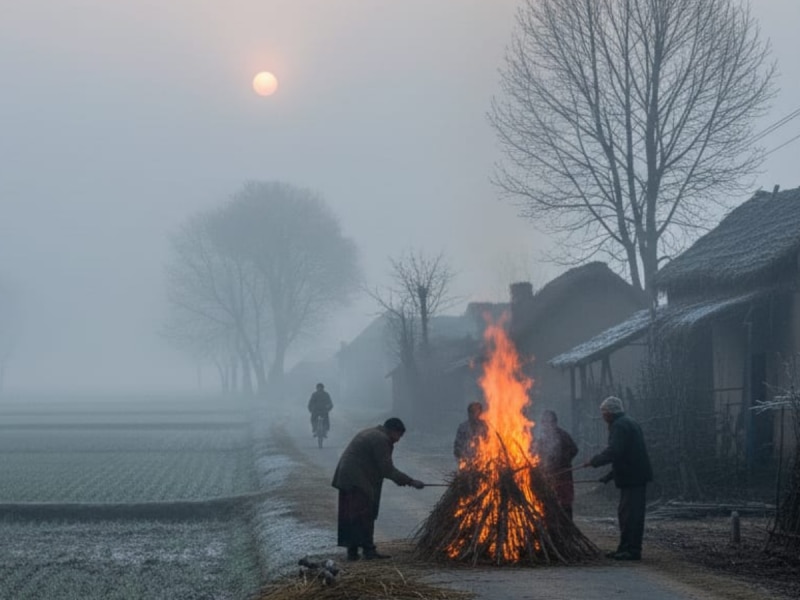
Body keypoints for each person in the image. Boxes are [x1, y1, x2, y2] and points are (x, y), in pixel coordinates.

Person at [331, 417, 425, 561]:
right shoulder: (381, 440)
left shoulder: (374, 433)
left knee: (352, 514)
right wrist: (411, 481)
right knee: (364, 513)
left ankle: (353, 551)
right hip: (356, 479)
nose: (398, 440)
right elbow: (387, 469)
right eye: (399, 435)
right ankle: (368, 551)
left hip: (348, 476)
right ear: (392, 430)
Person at [584, 396, 653, 561]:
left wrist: (595, 461)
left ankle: (632, 551)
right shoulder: (627, 422)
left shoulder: (619, 426)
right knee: (627, 514)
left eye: (603, 412)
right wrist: (609, 476)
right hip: (633, 476)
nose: (602, 416)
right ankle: (625, 549)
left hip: (633, 478)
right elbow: (627, 455)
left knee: (631, 516)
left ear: (609, 413)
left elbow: (615, 451)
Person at [536, 409, 578, 520]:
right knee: (548, 503)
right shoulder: (542, 438)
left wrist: (560, 462)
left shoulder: (563, 436)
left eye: (546, 422)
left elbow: (574, 450)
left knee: (564, 502)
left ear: (554, 422)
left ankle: (567, 528)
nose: (544, 425)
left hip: (562, 475)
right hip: (548, 476)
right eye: (543, 422)